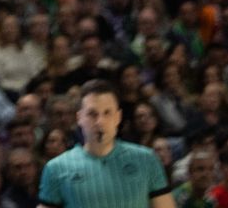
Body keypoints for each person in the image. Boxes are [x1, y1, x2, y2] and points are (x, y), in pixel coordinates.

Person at [39, 81, 177, 208]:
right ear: (79, 118)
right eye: (92, 114)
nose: (100, 121)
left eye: (107, 113)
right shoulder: (56, 168)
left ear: (118, 117)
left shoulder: (147, 160)